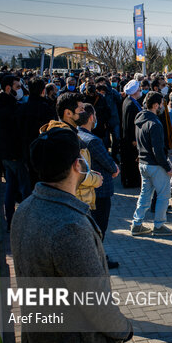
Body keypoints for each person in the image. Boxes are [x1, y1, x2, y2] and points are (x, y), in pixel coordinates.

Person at [11, 127, 132, 343]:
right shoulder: (68, 226)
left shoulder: (26, 208)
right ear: (77, 165)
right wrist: (123, 329)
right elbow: (94, 301)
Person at [131, 91, 172, 236]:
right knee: (163, 195)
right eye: (161, 103)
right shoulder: (155, 123)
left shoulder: (139, 119)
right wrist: (168, 167)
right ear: (156, 105)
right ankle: (159, 225)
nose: (163, 106)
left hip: (143, 163)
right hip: (155, 165)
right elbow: (157, 150)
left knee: (145, 195)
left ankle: (137, 223)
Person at [0, 75, 31, 230]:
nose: (20, 90)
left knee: (10, 186)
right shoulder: (9, 107)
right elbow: (15, 133)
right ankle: (24, 222)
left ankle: (11, 221)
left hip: (4, 154)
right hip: (14, 154)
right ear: (8, 88)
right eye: (17, 87)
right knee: (24, 189)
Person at [77, 103, 120, 240]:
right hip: (99, 191)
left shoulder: (78, 134)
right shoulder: (92, 140)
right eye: (95, 115)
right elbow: (108, 162)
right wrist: (114, 169)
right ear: (91, 117)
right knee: (99, 227)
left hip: (87, 190)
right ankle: (98, 258)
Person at [121, 79, 142, 188]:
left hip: (130, 138)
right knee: (131, 161)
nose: (140, 91)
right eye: (139, 90)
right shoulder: (130, 105)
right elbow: (130, 124)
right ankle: (131, 181)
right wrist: (133, 139)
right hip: (130, 139)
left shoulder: (130, 101)